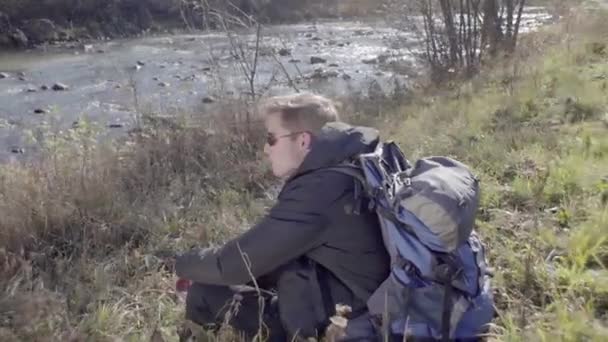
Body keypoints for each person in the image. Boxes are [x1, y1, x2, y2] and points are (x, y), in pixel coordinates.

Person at [175, 92, 390, 341]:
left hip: (343, 325)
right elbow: (267, 254)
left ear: (302, 141)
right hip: (358, 304)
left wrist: (180, 264)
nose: (266, 149)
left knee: (204, 292)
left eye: (271, 138)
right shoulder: (349, 169)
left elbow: (233, 264)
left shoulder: (320, 192)